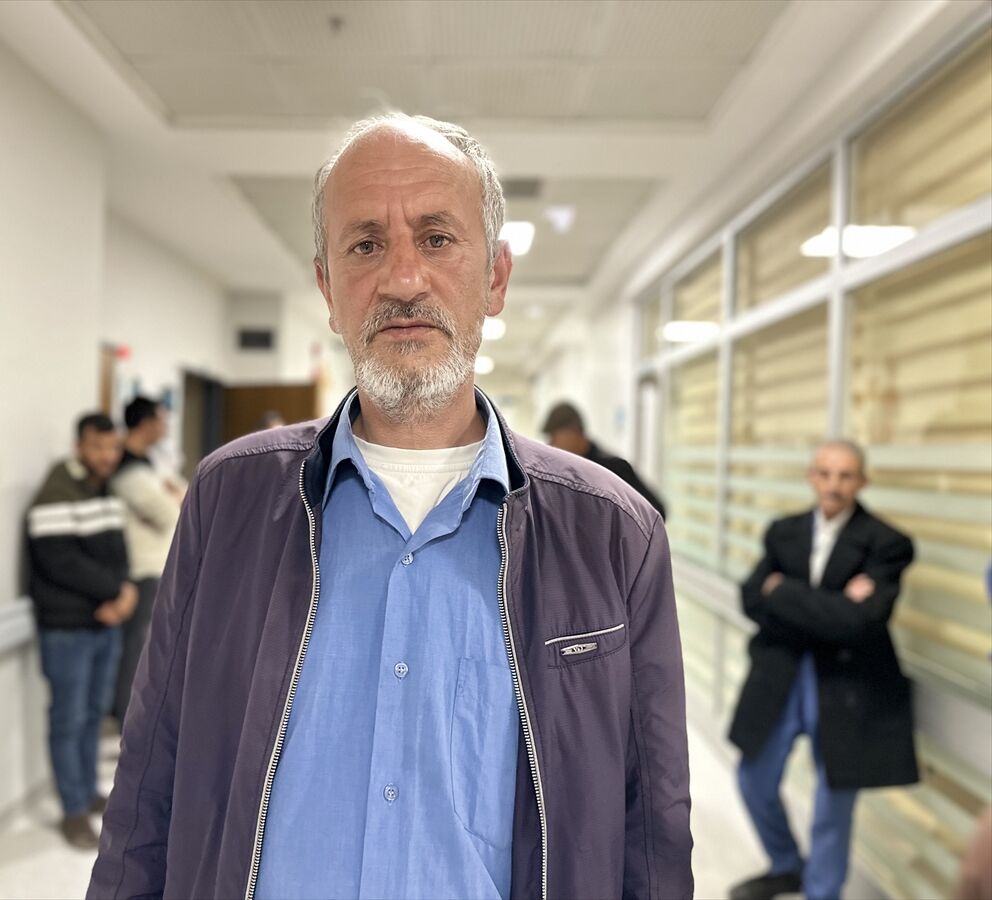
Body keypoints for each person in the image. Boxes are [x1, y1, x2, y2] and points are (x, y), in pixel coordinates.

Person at [90, 113, 692, 900]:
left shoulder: (611, 532)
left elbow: (652, 830)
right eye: (366, 245)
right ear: (327, 289)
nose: (404, 279)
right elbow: (149, 781)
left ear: (496, 279)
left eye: (437, 239)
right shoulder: (229, 500)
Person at [727, 441, 917, 900]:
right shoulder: (783, 532)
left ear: (862, 482)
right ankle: (787, 865)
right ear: (811, 476)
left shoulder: (887, 543)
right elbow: (751, 598)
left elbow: (861, 622)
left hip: (846, 683)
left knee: (834, 799)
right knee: (753, 777)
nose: (834, 485)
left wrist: (783, 593)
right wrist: (834, 605)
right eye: (826, 474)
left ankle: (822, 891)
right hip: (782, 672)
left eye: (846, 476)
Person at [27, 412, 137, 850]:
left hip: (104, 623)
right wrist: (114, 592)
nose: (107, 456)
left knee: (93, 714)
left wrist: (124, 591)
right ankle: (72, 810)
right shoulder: (57, 491)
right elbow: (60, 562)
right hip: (68, 628)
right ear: (79, 447)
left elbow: (117, 551)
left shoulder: (105, 488)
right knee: (68, 719)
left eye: (113, 447)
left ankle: (88, 791)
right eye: (97, 447)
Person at [110, 396, 180, 723]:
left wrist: (173, 496)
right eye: (161, 419)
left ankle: (138, 713)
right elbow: (170, 511)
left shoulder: (149, 461)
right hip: (141, 569)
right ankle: (126, 715)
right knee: (136, 647)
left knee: (150, 646)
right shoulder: (126, 469)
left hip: (157, 565)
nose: (165, 427)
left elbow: (184, 494)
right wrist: (171, 497)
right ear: (147, 423)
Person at [542, 401, 666, 519]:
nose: (551, 443)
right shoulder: (564, 472)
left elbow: (655, 512)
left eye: (554, 436)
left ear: (572, 431)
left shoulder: (613, 468)